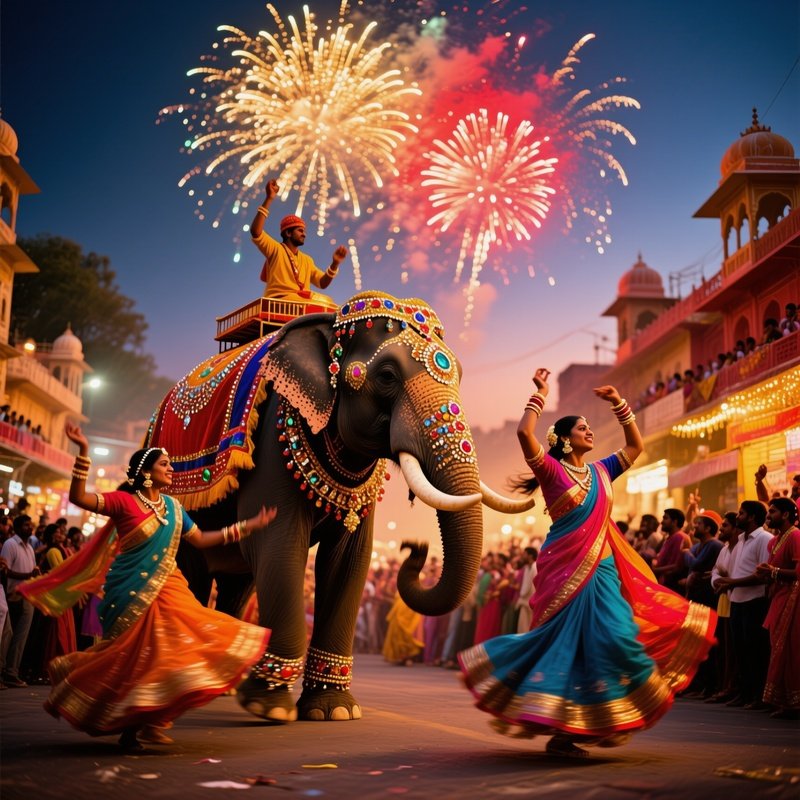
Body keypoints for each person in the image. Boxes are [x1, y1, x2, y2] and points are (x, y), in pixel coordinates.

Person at [458, 369, 716, 757]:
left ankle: (601, 717)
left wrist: (620, 406)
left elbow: (635, 447)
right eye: (582, 428)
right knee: (567, 643)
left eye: (588, 427)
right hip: (565, 568)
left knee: (614, 638)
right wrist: (540, 396)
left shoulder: (602, 470)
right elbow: (524, 435)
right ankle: (564, 729)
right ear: (564, 439)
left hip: (605, 569)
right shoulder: (551, 470)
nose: (589, 431)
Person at [19, 423, 276, 750]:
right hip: (129, 592)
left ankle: (156, 718)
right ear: (146, 473)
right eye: (164, 464)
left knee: (175, 650)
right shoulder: (123, 502)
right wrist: (83, 451)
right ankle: (132, 728)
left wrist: (247, 526)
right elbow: (78, 497)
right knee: (136, 657)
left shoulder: (174, 508)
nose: (171, 468)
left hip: (170, 589)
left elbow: (202, 540)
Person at [249, 178, 347, 309]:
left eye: (304, 231)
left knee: (328, 302)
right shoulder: (276, 249)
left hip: (300, 302)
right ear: (288, 233)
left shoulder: (307, 260)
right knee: (320, 305)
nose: (304, 234)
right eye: (300, 231)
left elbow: (322, 283)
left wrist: (335, 264)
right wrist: (269, 199)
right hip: (279, 302)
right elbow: (256, 232)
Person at [714, 501, 773, 709]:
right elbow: (732, 571)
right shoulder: (740, 540)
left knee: (754, 651)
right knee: (740, 651)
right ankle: (744, 693)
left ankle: (757, 696)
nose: (737, 516)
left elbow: (763, 575)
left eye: (741, 513)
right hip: (736, 600)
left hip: (754, 601)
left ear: (752, 517)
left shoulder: (764, 539)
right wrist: (724, 582)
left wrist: (731, 583)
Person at [755, 497, 800, 718]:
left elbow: (798, 573)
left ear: (785, 515)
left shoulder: (795, 536)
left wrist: (771, 571)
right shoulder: (775, 540)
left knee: (790, 650)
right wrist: (767, 573)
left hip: (793, 599)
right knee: (777, 648)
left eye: (772, 512)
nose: (768, 515)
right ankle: (782, 700)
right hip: (777, 597)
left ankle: (793, 703)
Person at [0, 514, 40, 687]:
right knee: (7, 635)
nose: (29, 528)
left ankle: (11, 672)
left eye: (30, 525)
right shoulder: (10, 544)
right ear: (16, 528)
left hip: (28, 597)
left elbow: (32, 571)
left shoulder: (29, 547)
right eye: (25, 525)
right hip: (13, 596)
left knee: (20, 637)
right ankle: (3, 671)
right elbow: (5, 571)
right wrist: (27, 576)